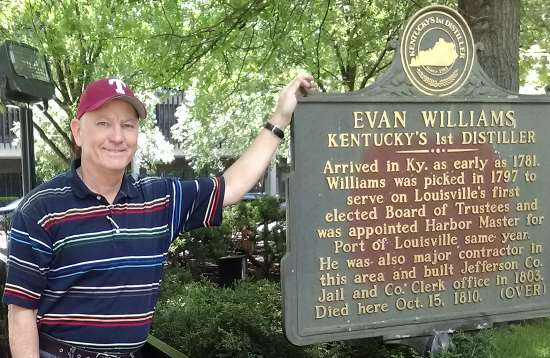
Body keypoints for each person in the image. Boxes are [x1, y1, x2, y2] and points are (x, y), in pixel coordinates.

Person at [3, 74, 314, 358]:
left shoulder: (160, 197)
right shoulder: (40, 209)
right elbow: (21, 312)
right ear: (77, 131)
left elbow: (230, 186)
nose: (117, 136)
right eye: (103, 123)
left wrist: (280, 117)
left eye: (128, 125)